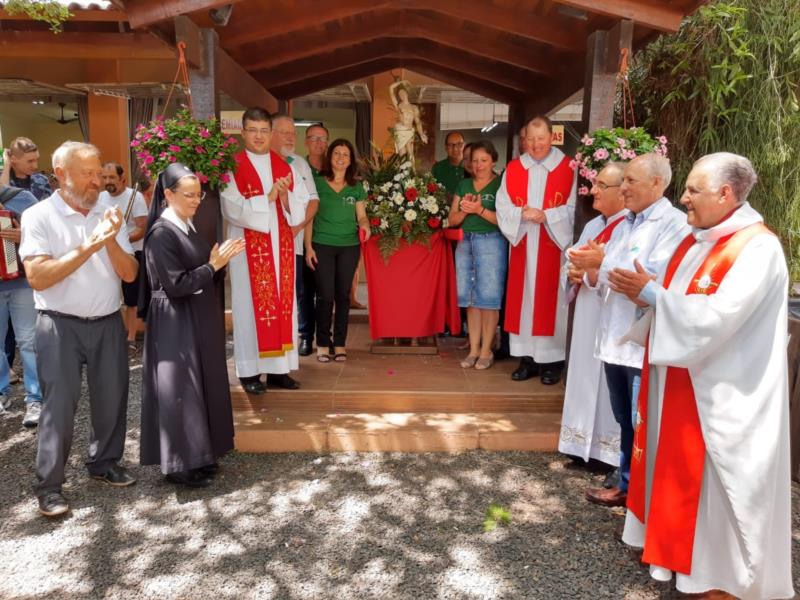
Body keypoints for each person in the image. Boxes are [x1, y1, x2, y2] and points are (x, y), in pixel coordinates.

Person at [612, 153, 794, 599]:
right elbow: (677, 301)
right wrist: (651, 296)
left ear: (726, 194)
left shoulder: (757, 247)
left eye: (693, 189)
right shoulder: (699, 241)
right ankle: (685, 563)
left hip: (726, 394)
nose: (684, 198)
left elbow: (718, 317)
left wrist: (654, 294)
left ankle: (726, 578)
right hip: (685, 381)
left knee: (719, 487)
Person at [19, 141, 139, 517]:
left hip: (106, 321)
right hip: (58, 324)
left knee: (112, 397)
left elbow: (130, 273)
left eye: (99, 172)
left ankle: (104, 463)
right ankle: (50, 486)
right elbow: (38, 276)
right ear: (61, 174)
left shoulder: (109, 211)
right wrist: (90, 245)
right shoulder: (39, 216)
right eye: (87, 173)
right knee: (59, 407)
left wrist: (109, 243)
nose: (97, 181)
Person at [570, 153, 688, 508]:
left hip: (642, 341)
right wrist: (592, 270)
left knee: (643, 421)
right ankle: (626, 483)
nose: (624, 188)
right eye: (623, 181)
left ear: (657, 183)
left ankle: (645, 495)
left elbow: (645, 278)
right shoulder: (624, 224)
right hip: (614, 337)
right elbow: (611, 276)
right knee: (624, 417)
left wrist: (600, 263)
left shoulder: (673, 224)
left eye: (631, 181)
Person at [139, 163, 245, 488]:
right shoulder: (161, 233)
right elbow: (176, 284)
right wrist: (213, 264)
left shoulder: (188, 226)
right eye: (189, 195)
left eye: (198, 195)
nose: (196, 201)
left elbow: (201, 268)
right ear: (168, 194)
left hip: (195, 315)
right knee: (181, 389)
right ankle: (179, 464)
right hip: (174, 319)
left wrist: (215, 263)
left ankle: (200, 456)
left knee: (201, 382)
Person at [221, 107, 309, 395]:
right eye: (252, 130)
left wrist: (284, 197)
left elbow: (300, 207)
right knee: (248, 308)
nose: (258, 136)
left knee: (283, 307)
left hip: (281, 249)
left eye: (263, 130)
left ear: (270, 133)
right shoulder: (231, 166)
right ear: (243, 132)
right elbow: (231, 207)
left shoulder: (286, 167)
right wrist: (267, 197)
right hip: (249, 252)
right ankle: (248, 371)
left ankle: (278, 371)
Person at [495, 115, 576, 385]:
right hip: (523, 246)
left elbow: (576, 209)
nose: (535, 144)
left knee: (551, 301)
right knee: (525, 302)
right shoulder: (514, 168)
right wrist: (522, 213)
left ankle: (552, 362)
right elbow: (503, 206)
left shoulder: (568, 168)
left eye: (540, 138)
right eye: (530, 139)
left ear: (552, 137)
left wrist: (548, 216)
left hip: (554, 246)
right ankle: (527, 359)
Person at [558, 163, 627, 469]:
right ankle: (579, 441)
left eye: (601, 185)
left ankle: (605, 451)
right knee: (585, 373)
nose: (593, 191)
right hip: (587, 312)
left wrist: (586, 274)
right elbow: (572, 257)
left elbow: (620, 269)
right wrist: (571, 272)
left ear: (622, 191)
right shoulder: (593, 225)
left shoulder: (627, 228)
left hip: (609, 312)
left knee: (604, 379)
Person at [306, 139, 369, 362]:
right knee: (325, 296)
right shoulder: (317, 183)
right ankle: (323, 343)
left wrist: (365, 225)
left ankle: (340, 343)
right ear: (330, 157)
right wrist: (308, 247)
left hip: (349, 247)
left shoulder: (357, 186)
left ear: (351, 160)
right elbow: (309, 217)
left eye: (345, 154)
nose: (341, 158)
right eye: (337, 154)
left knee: (343, 296)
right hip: (322, 245)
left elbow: (361, 215)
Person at [447, 140, 506, 370]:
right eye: (474, 161)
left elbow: (504, 222)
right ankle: (473, 349)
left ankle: (486, 350)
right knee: (470, 299)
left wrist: (480, 210)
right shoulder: (463, 185)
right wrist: (464, 210)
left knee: (489, 300)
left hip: (492, 242)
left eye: (484, 160)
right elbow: (452, 220)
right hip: (466, 242)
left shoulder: (501, 185)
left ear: (493, 160)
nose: (479, 165)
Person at [272, 115, 320, 357]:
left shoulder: (299, 164)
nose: (290, 137)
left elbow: (313, 199)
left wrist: (299, 227)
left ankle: (302, 336)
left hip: (294, 242)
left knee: (299, 293)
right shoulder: (259, 164)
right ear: (270, 133)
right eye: (284, 132)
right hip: (267, 243)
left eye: (293, 133)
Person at [0, 184, 43, 427]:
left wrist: (23, 236)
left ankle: (34, 398)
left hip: (22, 282)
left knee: (29, 341)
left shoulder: (21, 198)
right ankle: (1, 391)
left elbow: (47, 233)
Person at [99, 162, 148, 347]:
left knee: (131, 298)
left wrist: (122, 239)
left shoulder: (135, 197)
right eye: (104, 177)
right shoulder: (101, 197)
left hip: (133, 252)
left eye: (111, 177)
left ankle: (130, 337)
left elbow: (142, 228)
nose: (107, 181)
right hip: (108, 251)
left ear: (122, 179)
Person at [389, 80, 428, 164]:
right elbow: (391, 88)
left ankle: (412, 174)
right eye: (400, 94)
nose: (402, 95)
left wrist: (421, 134)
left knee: (410, 153)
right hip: (400, 130)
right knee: (402, 154)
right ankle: (403, 174)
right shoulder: (398, 106)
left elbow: (417, 122)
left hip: (409, 131)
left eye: (403, 93)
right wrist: (401, 82)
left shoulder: (414, 107)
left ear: (407, 94)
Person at [432, 132, 466, 198]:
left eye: (459, 144)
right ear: (446, 147)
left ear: (464, 145)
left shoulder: (472, 167)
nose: (455, 149)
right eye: (451, 145)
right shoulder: (437, 168)